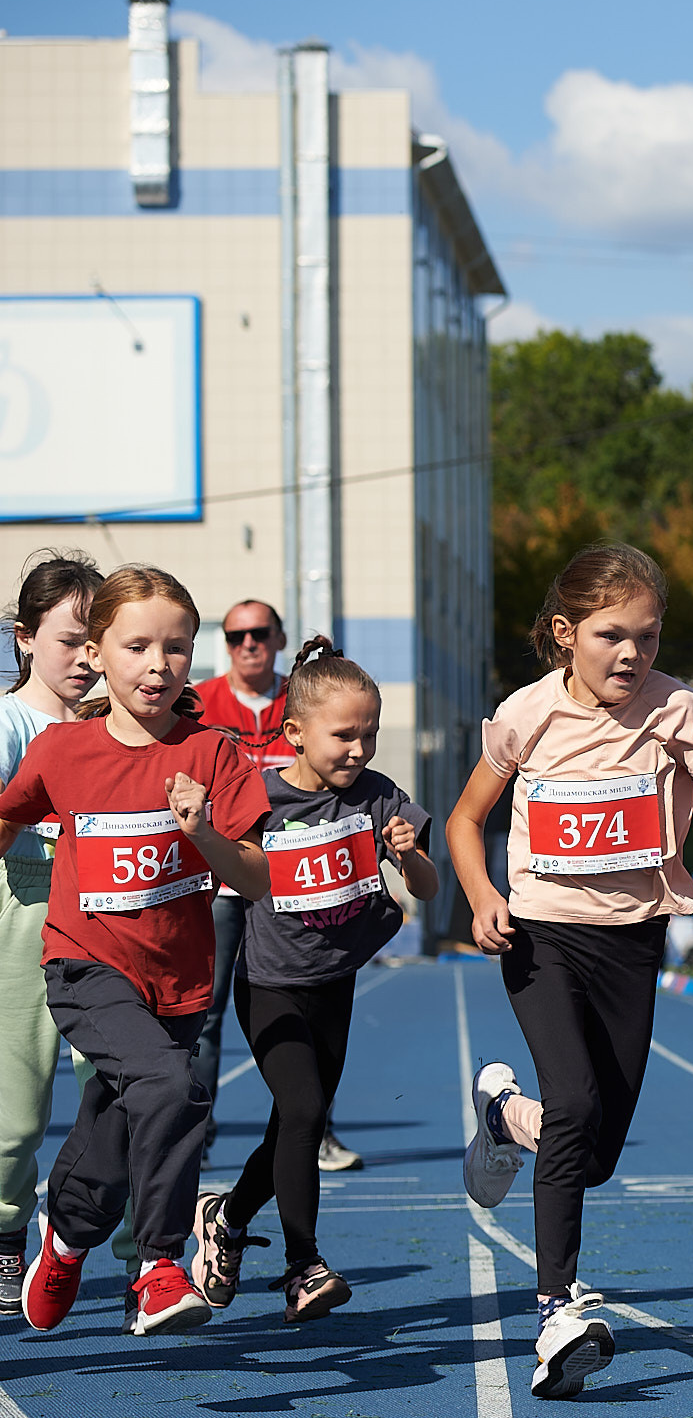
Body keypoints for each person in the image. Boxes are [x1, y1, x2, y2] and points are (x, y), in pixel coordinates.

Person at [446, 542, 693, 1400]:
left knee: (592, 1152)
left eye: (649, 637)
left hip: (633, 941)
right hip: (541, 935)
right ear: (565, 634)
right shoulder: (526, 715)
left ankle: (505, 1116)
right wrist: (481, 897)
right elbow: (466, 819)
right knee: (578, 1104)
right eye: (612, 635)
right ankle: (557, 1308)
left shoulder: (679, 713)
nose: (632, 654)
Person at [6, 567, 270, 1335]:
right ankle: (158, 1264)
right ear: (97, 653)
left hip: (177, 982)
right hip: (84, 966)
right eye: (138, 646)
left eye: (177, 648)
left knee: (114, 1132)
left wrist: (203, 834)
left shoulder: (215, 755)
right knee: (175, 1091)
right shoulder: (61, 751)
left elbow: (254, 878)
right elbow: (8, 813)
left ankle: (65, 1239)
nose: (158, 664)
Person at [194, 638, 439, 1321]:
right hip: (269, 984)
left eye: (370, 734)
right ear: (295, 733)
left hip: (337, 983)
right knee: (304, 1114)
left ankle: (227, 1217)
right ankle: (303, 1263)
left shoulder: (380, 798)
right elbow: (226, 872)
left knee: (290, 1129)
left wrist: (409, 855)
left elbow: (426, 887)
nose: (358, 749)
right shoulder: (257, 797)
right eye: (343, 735)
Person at [188, 599, 340, 1160]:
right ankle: (196, 1134)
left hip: (298, 885)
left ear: (278, 638)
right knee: (205, 1012)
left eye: (258, 634)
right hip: (225, 884)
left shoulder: (304, 699)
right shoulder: (200, 704)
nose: (247, 644)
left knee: (312, 1004)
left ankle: (317, 1132)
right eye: (235, 636)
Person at [0, 550, 102, 1321]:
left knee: (121, 1095)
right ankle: (6, 1234)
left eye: (97, 641)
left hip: (106, 919)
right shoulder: (9, 724)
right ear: (26, 637)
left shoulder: (119, 728)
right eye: (71, 640)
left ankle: (143, 1256)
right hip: (24, 913)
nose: (86, 660)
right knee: (17, 1117)